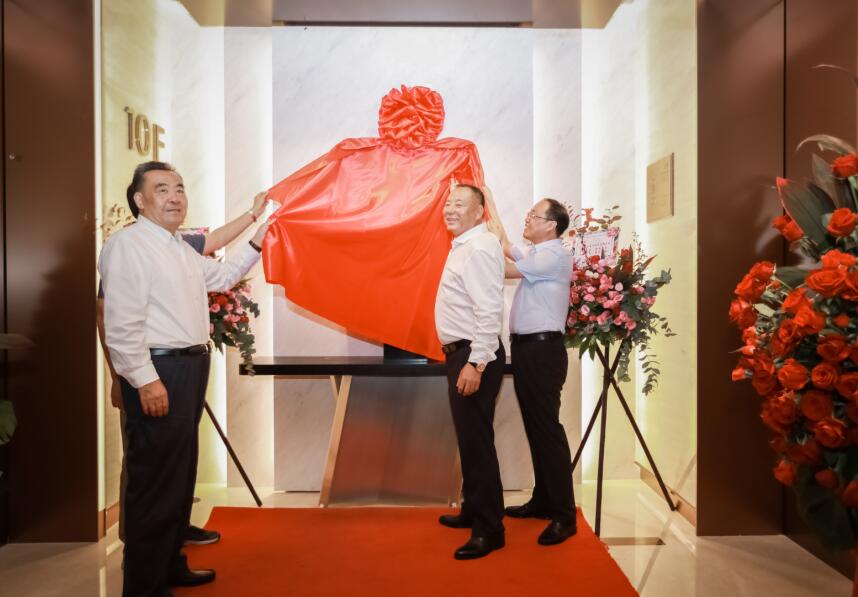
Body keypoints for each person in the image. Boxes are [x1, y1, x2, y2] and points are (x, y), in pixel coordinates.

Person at [98, 161, 268, 596]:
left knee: (179, 475)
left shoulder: (177, 246)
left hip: (189, 367)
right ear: (140, 200)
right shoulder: (129, 245)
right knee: (155, 481)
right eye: (162, 189)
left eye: (179, 189)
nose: (175, 197)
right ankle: (144, 585)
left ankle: (170, 563)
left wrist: (260, 237)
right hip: (160, 371)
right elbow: (120, 324)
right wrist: (144, 380)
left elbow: (225, 276)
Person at [487, 195, 577, 546]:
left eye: (533, 215)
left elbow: (502, 266)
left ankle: (565, 516)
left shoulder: (554, 255)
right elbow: (505, 245)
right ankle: (543, 500)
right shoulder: (539, 253)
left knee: (547, 430)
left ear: (551, 225)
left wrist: (476, 247)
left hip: (543, 352)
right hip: (527, 350)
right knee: (536, 428)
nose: (527, 219)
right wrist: (488, 200)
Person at [434, 184, 506, 560]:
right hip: (463, 354)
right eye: (448, 202)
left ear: (479, 212)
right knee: (470, 439)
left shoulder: (479, 247)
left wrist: (477, 364)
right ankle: (473, 510)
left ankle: (489, 530)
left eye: (459, 204)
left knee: (477, 443)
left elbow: (489, 310)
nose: (450, 209)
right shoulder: (464, 245)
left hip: (474, 356)